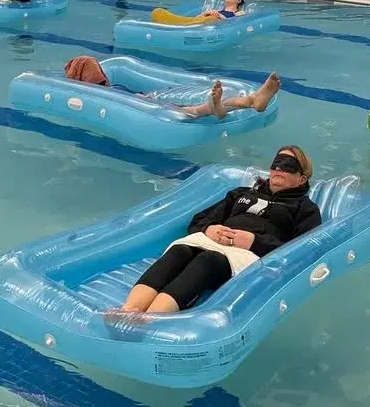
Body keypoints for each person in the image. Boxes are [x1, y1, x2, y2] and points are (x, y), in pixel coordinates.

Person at [107, 147, 320, 315]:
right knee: (179, 251)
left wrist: (254, 242)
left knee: (208, 260)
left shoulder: (304, 208)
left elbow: (302, 250)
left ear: (302, 178)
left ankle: (152, 316)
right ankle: (129, 309)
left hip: (246, 255)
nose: (280, 169)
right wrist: (210, 229)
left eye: (289, 166)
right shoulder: (241, 194)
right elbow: (199, 220)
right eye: (277, 164)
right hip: (210, 240)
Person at [64, 55, 279, 119]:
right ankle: (245, 102)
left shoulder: (104, 94)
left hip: (144, 102)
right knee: (194, 109)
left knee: (194, 109)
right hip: (144, 102)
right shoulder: (108, 91)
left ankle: (237, 103)